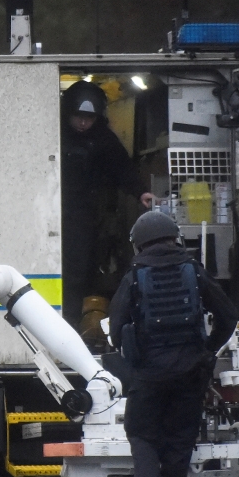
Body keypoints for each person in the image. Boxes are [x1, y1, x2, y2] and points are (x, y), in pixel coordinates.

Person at [108, 211, 239, 477]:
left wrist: (132, 353)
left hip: (150, 375)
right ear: (175, 238)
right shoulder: (194, 272)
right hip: (190, 373)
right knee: (179, 442)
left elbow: (115, 327)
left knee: (143, 437)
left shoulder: (134, 277)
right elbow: (228, 316)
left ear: (139, 244)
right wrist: (207, 350)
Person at [60, 80, 154, 329]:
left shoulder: (103, 139)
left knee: (83, 271)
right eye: (78, 117)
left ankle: (79, 324)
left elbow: (122, 167)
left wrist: (141, 192)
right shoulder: (54, 133)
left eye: (88, 118)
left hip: (85, 217)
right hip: (52, 213)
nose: (83, 123)